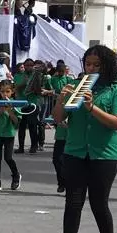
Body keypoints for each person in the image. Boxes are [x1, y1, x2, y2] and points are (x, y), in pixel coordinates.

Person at [49, 45, 117, 233]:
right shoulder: (75, 86)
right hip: (75, 151)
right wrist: (60, 101)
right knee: (73, 203)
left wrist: (92, 107)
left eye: (96, 65)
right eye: (88, 64)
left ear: (107, 67)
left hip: (104, 154)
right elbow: (59, 118)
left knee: (98, 203)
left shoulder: (116, 90)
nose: (91, 68)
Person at [0, 80, 22, 192]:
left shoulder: (16, 103)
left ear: (12, 92)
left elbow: (16, 121)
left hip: (9, 133)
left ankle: (16, 175)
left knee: (8, 157)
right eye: (2, 92)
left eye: (7, 91)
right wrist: (0, 111)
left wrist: (10, 110)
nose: (5, 94)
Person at [48, 62, 73, 192]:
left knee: (68, 162)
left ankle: (68, 183)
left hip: (72, 135)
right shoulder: (61, 97)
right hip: (61, 133)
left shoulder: (74, 96)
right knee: (56, 160)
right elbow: (55, 115)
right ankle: (61, 182)